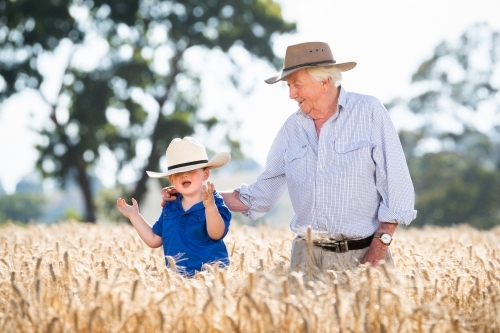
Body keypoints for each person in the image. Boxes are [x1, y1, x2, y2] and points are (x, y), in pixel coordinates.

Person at [162, 41, 417, 272]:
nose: (291, 94)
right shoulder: (291, 130)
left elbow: (397, 189)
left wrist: (379, 248)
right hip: (306, 259)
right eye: (288, 86)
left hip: (365, 256)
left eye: (297, 85)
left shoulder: (369, 113)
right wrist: (195, 195)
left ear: (325, 81)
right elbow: (260, 195)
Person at [117, 136, 232, 277]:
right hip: (178, 282)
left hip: (212, 278)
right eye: (178, 173)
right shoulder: (170, 207)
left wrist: (210, 207)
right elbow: (154, 239)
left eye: (191, 170)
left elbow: (217, 234)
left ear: (206, 174)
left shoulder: (215, 202)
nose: (184, 175)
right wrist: (134, 216)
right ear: (171, 179)